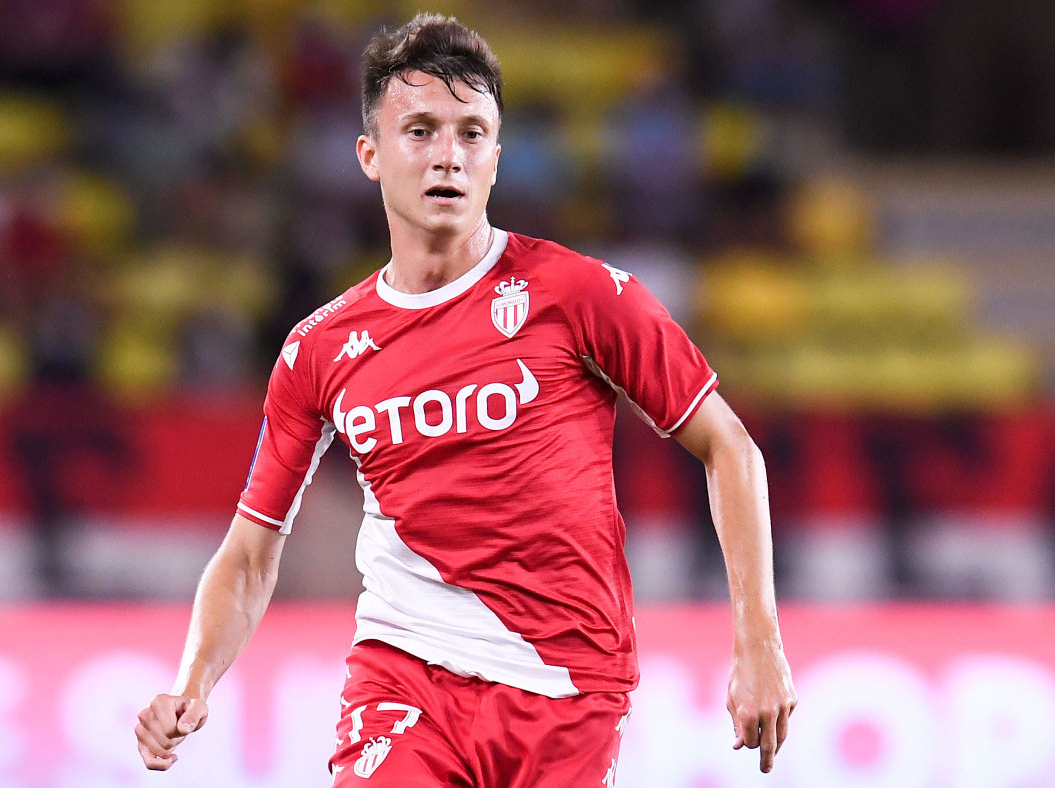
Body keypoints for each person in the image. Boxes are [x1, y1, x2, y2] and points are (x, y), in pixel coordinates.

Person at [135, 13, 796, 785]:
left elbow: (729, 447)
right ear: (370, 155)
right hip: (402, 679)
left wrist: (759, 642)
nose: (448, 155)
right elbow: (251, 551)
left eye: (471, 133)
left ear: (496, 157)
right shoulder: (319, 349)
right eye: (420, 131)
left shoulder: (580, 296)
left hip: (567, 686)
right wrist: (192, 682)